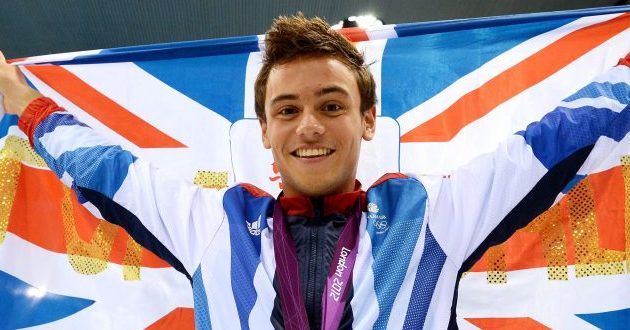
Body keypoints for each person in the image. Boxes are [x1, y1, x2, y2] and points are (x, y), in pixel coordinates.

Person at [0, 14, 628, 330]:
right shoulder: (215, 225)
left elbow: (555, 143)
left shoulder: (431, 214)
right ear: (265, 132)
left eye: (332, 106)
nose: (309, 127)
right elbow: (104, 172)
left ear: (368, 121)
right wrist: (21, 104)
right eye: (287, 110)